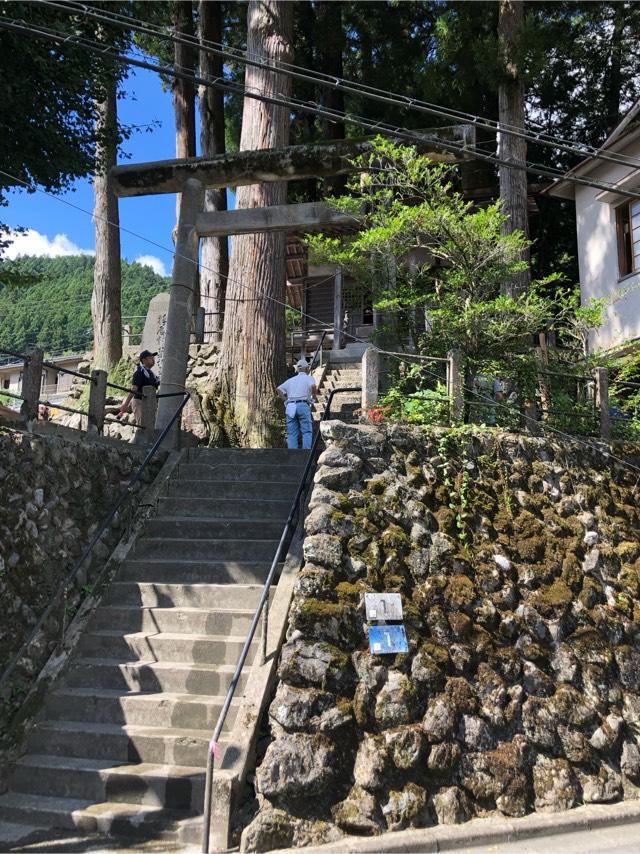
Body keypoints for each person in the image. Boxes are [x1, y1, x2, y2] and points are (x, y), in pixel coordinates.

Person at [276, 358, 318, 449]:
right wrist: (313, 398)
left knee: (291, 433)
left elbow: (279, 389)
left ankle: (292, 455)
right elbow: (313, 386)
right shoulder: (309, 378)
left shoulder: (291, 380)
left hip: (291, 406)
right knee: (306, 431)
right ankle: (306, 454)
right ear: (307, 369)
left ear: (298, 369)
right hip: (303, 404)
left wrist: (285, 400)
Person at [118, 350, 160, 424]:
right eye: (150, 357)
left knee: (153, 424)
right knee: (143, 424)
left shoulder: (152, 375)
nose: (153, 359)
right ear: (144, 360)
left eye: (153, 357)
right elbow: (134, 389)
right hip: (139, 402)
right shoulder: (139, 373)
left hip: (150, 402)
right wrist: (125, 404)